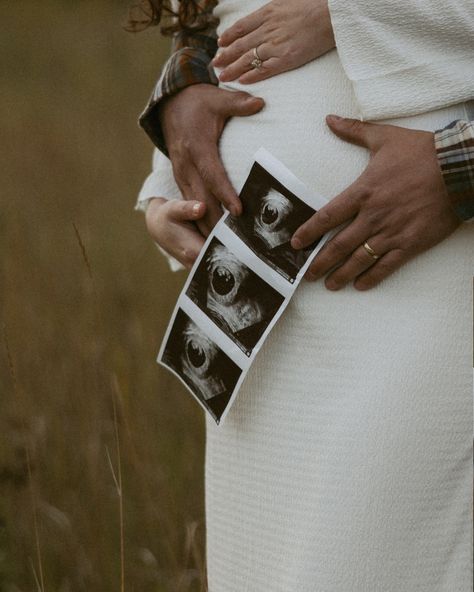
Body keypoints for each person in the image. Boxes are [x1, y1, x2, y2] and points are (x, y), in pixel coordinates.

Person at [133, 1, 474, 590]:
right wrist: (180, 111)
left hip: (421, 297)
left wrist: (459, 165)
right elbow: (210, 19)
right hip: (258, 326)